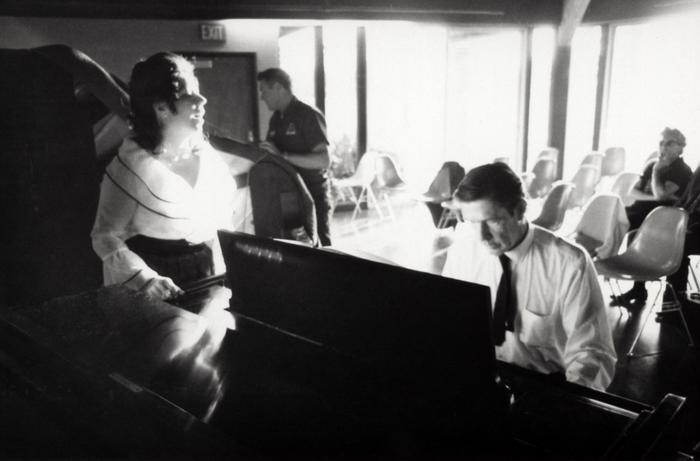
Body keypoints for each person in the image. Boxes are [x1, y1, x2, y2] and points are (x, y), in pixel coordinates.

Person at [91, 52, 254, 301]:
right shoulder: (129, 168)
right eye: (190, 94)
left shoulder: (208, 158)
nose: (203, 100)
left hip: (207, 274)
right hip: (157, 285)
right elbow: (105, 237)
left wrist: (237, 266)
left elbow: (222, 221)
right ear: (161, 108)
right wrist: (146, 279)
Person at [442, 162, 616, 391]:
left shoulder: (570, 263)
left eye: (492, 221)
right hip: (480, 377)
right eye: (472, 222)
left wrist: (571, 406)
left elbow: (591, 354)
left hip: (546, 387)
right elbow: (449, 322)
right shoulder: (461, 252)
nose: (482, 236)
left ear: (520, 210)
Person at [614, 127, 693, 307]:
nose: (663, 148)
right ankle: (636, 286)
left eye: (669, 143)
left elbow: (662, 197)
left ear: (680, 148)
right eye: (661, 143)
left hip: (660, 222)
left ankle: (610, 261)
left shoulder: (681, 170)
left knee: (630, 231)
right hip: (639, 214)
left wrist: (657, 172)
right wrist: (655, 196)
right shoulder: (652, 164)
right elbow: (633, 192)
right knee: (615, 217)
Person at [256, 67, 332, 246]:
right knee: (298, 250)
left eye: (263, 90)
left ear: (278, 88)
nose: (261, 96)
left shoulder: (307, 114)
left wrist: (283, 155)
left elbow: (324, 160)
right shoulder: (276, 119)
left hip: (313, 196)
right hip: (288, 197)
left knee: (321, 250)